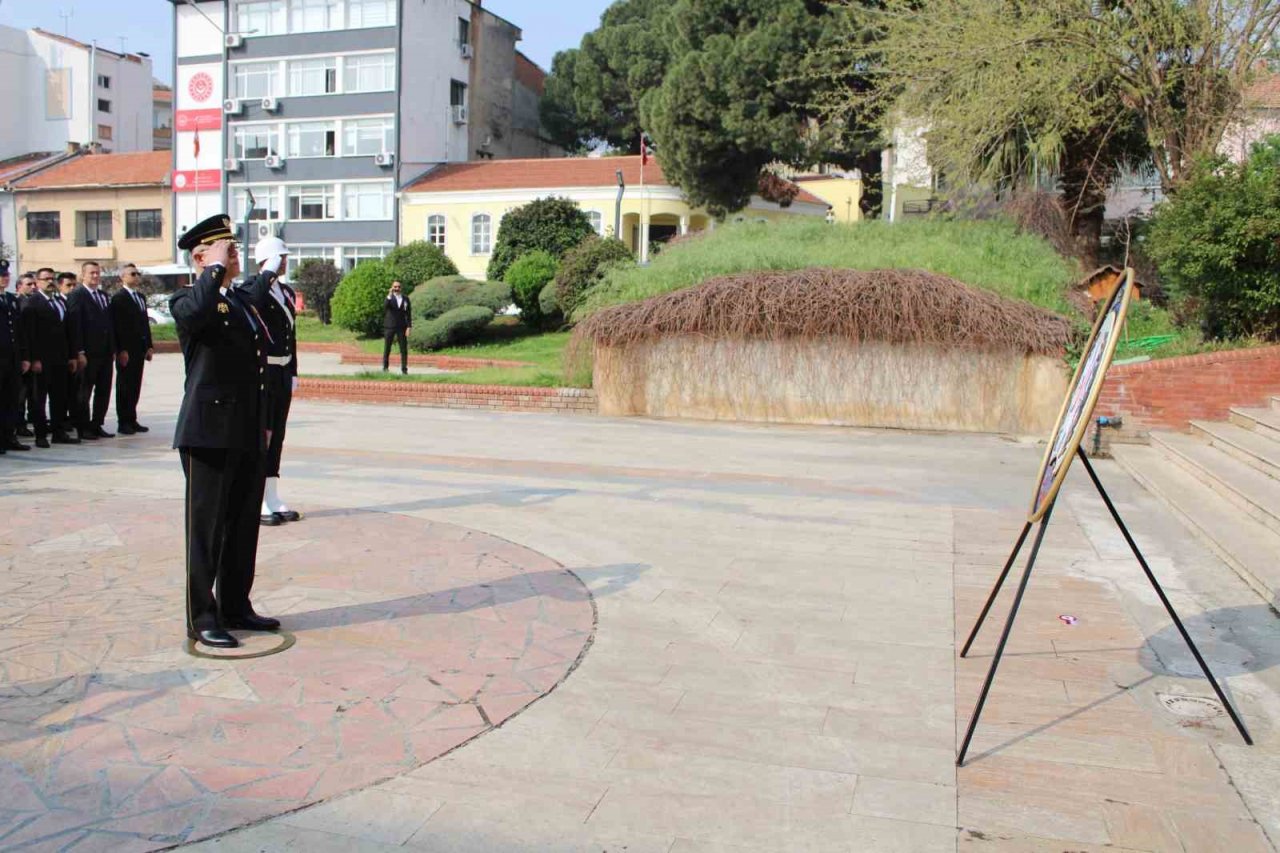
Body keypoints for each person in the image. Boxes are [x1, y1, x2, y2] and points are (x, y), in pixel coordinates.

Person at [171, 214, 279, 649]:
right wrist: (212, 270)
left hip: (246, 430)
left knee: (241, 525)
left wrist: (265, 424)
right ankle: (202, 616)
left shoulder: (238, 302)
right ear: (199, 255)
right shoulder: (190, 300)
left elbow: (257, 368)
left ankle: (236, 604)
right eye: (223, 248)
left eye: (233, 247)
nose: (233, 253)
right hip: (208, 432)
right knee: (207, 529)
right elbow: (196, 313)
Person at [248, 236, 302, 526]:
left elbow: (291, 337)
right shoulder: (253, 288)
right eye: (280, 257)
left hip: (282, 372)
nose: (284, 262)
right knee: (263, 435)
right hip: (263, 372)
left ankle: (272, 495)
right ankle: (257, 500)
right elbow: (252, 302)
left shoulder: (286, 292)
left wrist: (293, 371)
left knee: (277, 434)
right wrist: (266, 274)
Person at [21, 269, 79, 447]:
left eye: (52, 279)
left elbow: (68, 332)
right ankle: (40, 435)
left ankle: (58, 431)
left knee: (59, 397)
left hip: (60, 359)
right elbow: (29, 335)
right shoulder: (32, 303)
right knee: (39, 399)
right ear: (37, 282)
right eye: (46, 279)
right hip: (42, 360)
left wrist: (72, 356)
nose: (50, 282)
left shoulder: (60, 301)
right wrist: (34, 358)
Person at [66, 261, 117, 440]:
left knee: (103, 390)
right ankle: (83, 426)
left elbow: (109, 323)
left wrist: (113, 348)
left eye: (97, 273)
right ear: (83, 275)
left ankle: (97, 424)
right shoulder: (77, 295)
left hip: (105, 352)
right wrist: (79, 352)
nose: (95, 276)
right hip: (88, 353)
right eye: (91, 273)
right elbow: (75, 325)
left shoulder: (103, 295)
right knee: (84, 392)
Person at [109, 263, 153, 434]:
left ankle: (132, 418)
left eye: (137, 273)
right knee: (125, 386)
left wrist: (149, 346)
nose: (136, 276)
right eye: (132, 274)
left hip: (139, 348)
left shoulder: (140, 297)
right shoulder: (119, 298)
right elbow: (118, 326)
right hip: (126, 349)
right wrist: (121, 349)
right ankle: (123, 421)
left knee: (135, 385)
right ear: (122, 277)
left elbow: (144, 323)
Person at [0, 260, 30, 453]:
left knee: (12, 399)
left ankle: (9, 437)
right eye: (1, 275)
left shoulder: (11, 299)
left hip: (12, 358)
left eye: (6, 274)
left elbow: (19, 332)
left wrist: (25, 356)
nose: (5, 277)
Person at [382, 280, 412, 374]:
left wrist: (409, 326)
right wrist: (389, 295)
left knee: (403, 349)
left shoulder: (406, 298)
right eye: (395, 287)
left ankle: (404, 369)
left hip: (401, 326)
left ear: (401, 288)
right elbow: (385, 307)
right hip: (389, 326)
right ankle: (385, 368)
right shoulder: (389, 298)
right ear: (392, 287)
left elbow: (408, 313)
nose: (397, 288)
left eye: (398, 287)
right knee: (387, 348)